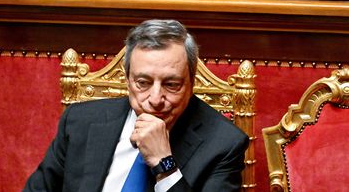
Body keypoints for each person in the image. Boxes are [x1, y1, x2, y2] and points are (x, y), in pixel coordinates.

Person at [24, 19, 249, 192]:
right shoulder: (80, 121)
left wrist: (164, 163)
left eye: (171, 85)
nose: (155, 98)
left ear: (191, 83)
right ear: (128, 80)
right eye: (143, 82)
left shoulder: (224, 144)